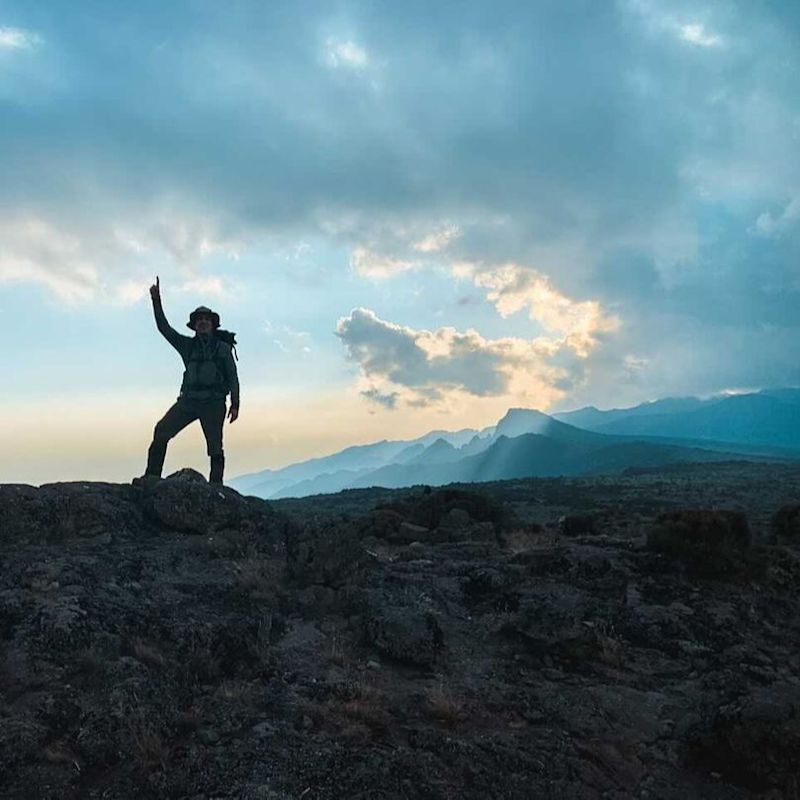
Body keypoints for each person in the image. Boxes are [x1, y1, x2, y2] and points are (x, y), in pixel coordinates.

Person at [135, 276, 239, 485]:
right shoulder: (187, 346)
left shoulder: (223, 349)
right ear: (194, 325)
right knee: (162, 430)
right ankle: (151, 478)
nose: (202, 322)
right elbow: (164, 329)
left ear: (212, 324)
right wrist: (156, 301)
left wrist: (235, 404)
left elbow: (233, 377)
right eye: (199, 320)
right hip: (189, 401)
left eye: (206, 319)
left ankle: (216, 489)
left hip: (214, 402)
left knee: (215, 447)